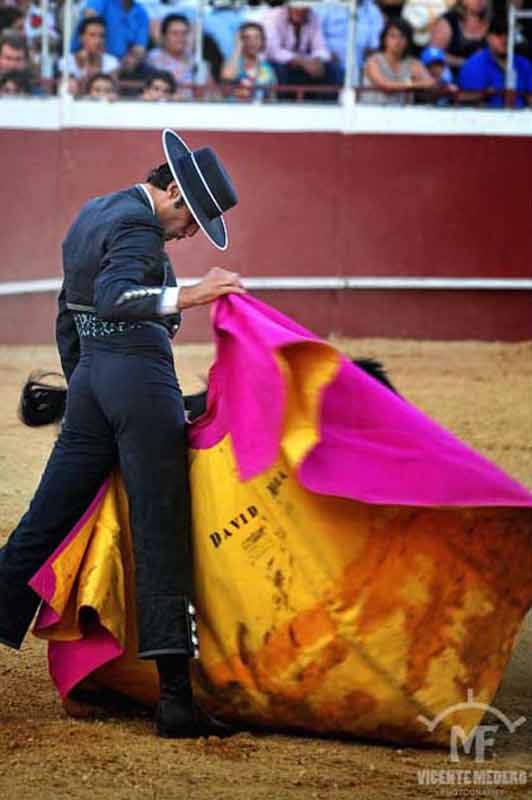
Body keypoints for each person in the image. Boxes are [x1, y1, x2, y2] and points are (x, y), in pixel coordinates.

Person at [0, 128, 244, 739]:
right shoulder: (139, 227)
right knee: (162, 531)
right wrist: (195, 294)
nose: (190, 235)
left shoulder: (94, 211)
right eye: (194, 221)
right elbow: (116, 298)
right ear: (175, 196)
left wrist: (85, 385)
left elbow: (70, 308)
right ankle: (176, 703)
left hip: (92, 382)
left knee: (41, 524)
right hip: (138, 380)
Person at [262, 3, 342, 94]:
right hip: (280, 64)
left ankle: (327, 105)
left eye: (303, 7)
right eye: (296, 6)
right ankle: (282, 105)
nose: (299, 10)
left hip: (304, 64)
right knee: (279, 70)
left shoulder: (313, 16)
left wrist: (317, 60)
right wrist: (301, 61)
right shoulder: (273, 16)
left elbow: (320, 47)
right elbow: (274, 52)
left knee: (332, 69)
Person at [459, 15, 532, 107]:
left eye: (508, 34)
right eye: (498, 34)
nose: (504, 39)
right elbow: (468, 103)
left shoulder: (524, 63)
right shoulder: (474, 65)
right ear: (488, 37)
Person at [361, 16, 434, 103]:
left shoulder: (414, 63)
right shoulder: (373, 61)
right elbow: (385, 86)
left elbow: (430, 84)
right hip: (372, 113)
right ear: (384, 39)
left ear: (408, 41)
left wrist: (421, 84)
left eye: (402, 36)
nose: (397, 41)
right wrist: (413, 84)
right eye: (393, 36)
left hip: (404, 114)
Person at [147, 14, 211, 97]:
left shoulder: (196, 61)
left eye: (184, 33)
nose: (180, 37)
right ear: (164, 36)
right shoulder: (153, 59)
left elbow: (212, 93)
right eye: (175, 33)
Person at [430, 0, 489, 76]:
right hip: (452, 80)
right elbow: (432, 55)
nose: (479, 1)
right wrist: (467, 63)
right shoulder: (450, 21)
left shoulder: (492, 24)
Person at [221, 21, 276, 100]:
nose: (252, 42)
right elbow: (227, 82)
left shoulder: (267, 68)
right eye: (247, 37)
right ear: (240, 40)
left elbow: (272, 98)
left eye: (256, 37)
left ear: (262, 41)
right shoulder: (232, 62)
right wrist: (237, 48)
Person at [59, 16, 119, 82]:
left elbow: (113, 90)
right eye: (92, 35)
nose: (98, 41)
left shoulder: (111, 63)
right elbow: (64, 89)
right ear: (81, 38)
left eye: (102, 36)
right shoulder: (67, 62)